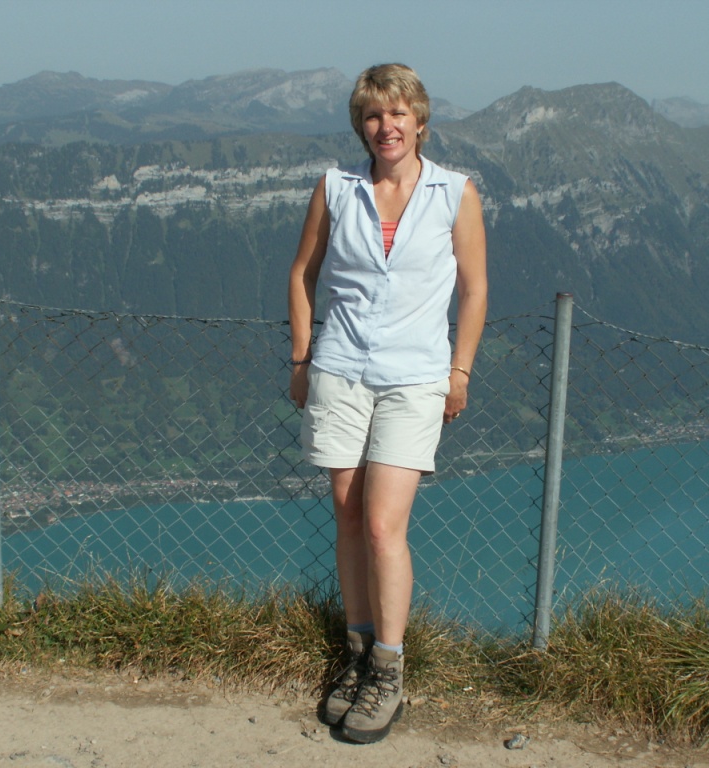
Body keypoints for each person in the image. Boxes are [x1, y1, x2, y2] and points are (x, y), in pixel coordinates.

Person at [288, 63, 487, 744]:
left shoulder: (454, 193)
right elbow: (303, 273)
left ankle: (389, 670)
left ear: (420, 122)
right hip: (340, 371)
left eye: (398, 113)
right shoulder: (336, 189)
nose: (386, 126)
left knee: (381, 526)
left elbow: (475, 289)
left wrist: (460, 370)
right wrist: (301, 359)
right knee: (348, 518)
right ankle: (356, 653)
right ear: (361, 125)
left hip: (414, 380)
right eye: (373, 115)